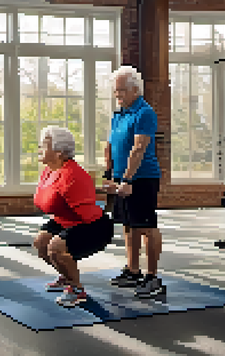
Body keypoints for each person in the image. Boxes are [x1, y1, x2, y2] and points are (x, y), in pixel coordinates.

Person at [33, 126, 114, 308]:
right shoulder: (49, 170)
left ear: (59, 152)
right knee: (41, 243)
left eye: (45, 145)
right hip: (66, 219)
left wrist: (66, 244)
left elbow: (88, 213)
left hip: (94, 226)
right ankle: (66, 276)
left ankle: (77, 289)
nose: (40, 148)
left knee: (56, 248)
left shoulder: (73, 175)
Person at [103, 65, 163, 298]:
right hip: (122, 177)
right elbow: (110, 146)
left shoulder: (144, 113)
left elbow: (138, 149)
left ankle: (153, 277)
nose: (116, 95)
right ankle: (133, 270)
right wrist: (110, 175)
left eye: (120, 91)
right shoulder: (119, 113)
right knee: (129, 225)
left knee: (147, 226)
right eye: (115, 91)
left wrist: (127, 179)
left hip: (142, 177)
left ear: (135, 90)